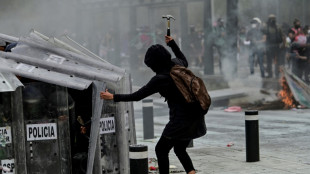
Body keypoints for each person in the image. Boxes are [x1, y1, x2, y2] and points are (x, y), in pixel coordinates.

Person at [100, 36, 207, 174]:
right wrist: (172, 44)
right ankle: (191, 172)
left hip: (180, 122)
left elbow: (137, 96)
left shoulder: (160, 79)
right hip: (196, 116)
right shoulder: (178, 64)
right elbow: (183, 58)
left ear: (154, 63)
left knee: (161, 150)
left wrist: (113, 96)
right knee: (179, 149)